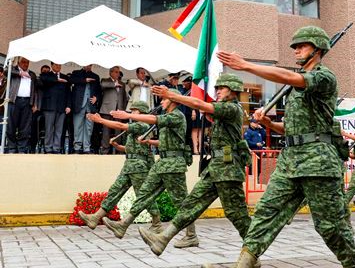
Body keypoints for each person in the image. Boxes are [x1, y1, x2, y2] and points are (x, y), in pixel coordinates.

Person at [216, 26, 355, 268]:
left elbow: (293, 78)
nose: (296, 50)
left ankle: (351, 264)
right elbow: (293, 130)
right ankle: (244, 263)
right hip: (290, 161)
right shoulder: (296, 89)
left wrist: (247, 66)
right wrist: (268, 123)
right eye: (294, 47)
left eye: (302, 46)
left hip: (318, 162)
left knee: (329, 225)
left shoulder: (324, 77)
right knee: (266, 211)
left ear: (317, 49)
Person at [140, 74, 253, 259]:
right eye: (216, 88)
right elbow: (204, 109)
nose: (216, 91)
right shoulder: (223, 110)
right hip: (215, 168)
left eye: (221, 88)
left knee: (237, 215)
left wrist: (173, 95)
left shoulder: (232, 109)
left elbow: (201, 105)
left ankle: (252, 253)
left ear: (232, 91)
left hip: (228, 170)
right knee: (191, 204)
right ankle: (163, 239)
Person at [102, 89, 199, 248]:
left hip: (174, 164)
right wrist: (150, 143)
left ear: (173, 100)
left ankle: (191, 235)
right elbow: (167, 141)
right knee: (144, 193)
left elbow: (154, 119)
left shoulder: (177, 116)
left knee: (181, 202)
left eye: (164, 99)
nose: (161, 102)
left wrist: (129, 116)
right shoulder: (168, 117)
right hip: (162, 163)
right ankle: (123, 225)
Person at [78, 101, 162, 232]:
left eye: (134, 111)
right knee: (115, 190)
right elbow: (132, 149)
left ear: (140, 112)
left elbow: (119, 125)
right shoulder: (137, 126)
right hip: (130, 165)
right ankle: (96, 217)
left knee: (143, 195)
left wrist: (100, 120)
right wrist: (118, 147)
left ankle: (157, 222)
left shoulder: (143, 125)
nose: (132, 113)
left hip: (138, 167)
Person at [6, 57, 38, 153]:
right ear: (19, 63)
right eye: (23, 62)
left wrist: (34, 104)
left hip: (27, 102)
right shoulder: (13, 70)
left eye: (27, 62)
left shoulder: (32, 74)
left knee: (25, 127)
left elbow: (35, 90)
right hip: (14, 101)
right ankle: (12, 148)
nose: (26, 64)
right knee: (11, 126)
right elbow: (5, 71)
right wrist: (20, 73)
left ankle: (22, 149)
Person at [40, 62, 72, 154]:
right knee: (49, 128)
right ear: (52, 65)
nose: (58, 66)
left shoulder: (65, 77)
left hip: (62, 107)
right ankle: (48, 148)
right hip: (49, 106)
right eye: (56, 65)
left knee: (59, 129)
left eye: (60, 65)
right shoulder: (47, 75)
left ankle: (56, 148)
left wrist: (68, 105)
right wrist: (57, 79)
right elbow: (43, 79)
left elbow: (68, 92)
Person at [70, 65, 101, 154]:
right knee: (77, 126)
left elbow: (99, 90)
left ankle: (86, 148)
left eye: (90, 65)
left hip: (90, 105)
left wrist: (97, 98)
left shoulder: (95, 76)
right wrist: (84, 80)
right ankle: (77, 147)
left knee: (89, 127)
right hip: (79, 104)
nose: (89, 66)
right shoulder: (76, 73)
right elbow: (71, 80)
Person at [99, 66, 127, 154]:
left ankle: (118, 150)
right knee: (106, 131)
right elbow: (103, 86)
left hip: (118, 110)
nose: (118, 74)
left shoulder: (122, 83)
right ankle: (105, 150)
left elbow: (124, 98)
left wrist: (124, 110)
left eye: (118, 72)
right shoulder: (105, 80)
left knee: (118, 131)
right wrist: (114, 84)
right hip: (107, 109)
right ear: (110, 72)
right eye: (116, 72)